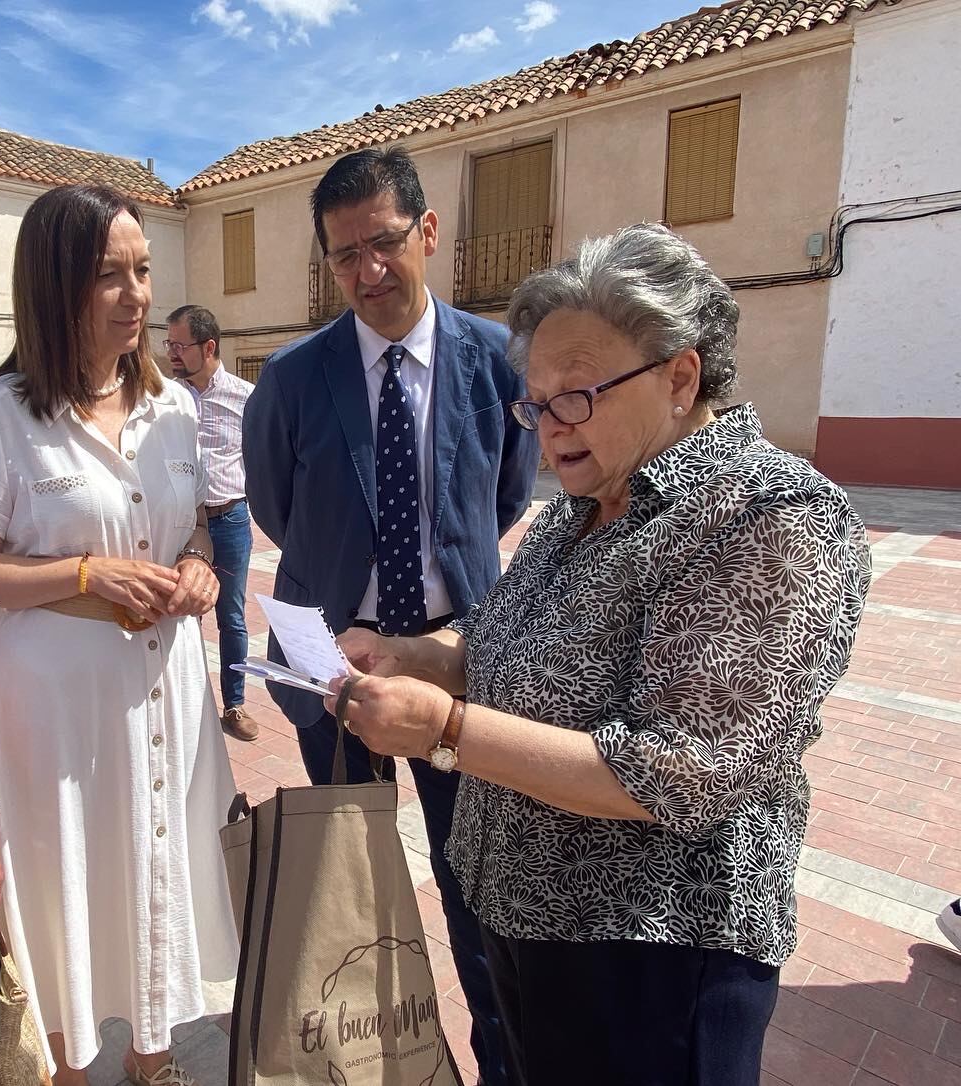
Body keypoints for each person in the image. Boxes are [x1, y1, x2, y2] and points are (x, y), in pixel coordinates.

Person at [328, 223, 872, 1086]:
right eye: (534, 403)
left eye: (575, 396)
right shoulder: (581, 505)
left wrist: (445, 733)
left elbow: (680, 772)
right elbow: (496, 643)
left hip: (649, 961)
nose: (548, 430)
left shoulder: (773, 518)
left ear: (680, 376)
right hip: (521, 925)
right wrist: (407, 655)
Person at [243, 145, 538, 1084]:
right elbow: (274, 509)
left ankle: (499, 1060)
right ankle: (363, 1066)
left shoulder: (497, 360)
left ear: (430, 232)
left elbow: (503, 499)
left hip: (454, 665)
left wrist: (434, 624)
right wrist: (346, 587)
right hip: (335, 676)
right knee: (346, 897)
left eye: (384, 243)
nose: (368, 272)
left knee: (478, 896)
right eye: (344, 256)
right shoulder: (292, 378)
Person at [0, 184, 238, 1086]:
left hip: (166, 683)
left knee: (159, 860)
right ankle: (70, 1069)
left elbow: (186, 527)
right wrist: (83, 574)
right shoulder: (4, 414)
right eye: (109, 274)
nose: (137, 295)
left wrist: (198, 569)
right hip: (60, 698)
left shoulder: (174, 409)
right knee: (69, 870)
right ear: (56, 284)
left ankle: (151, 1061)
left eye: (144, 270)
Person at [165, 303, 258, 741]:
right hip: (184, 525)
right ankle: (191, 706)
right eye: (168, 345)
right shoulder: (168, 399)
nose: (171, 354)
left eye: (179, 346)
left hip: (231, 519)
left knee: (231, 618)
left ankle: (234, 705)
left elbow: (266, 455)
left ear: (209, 347)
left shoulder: (245, 396)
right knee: (186, 614)